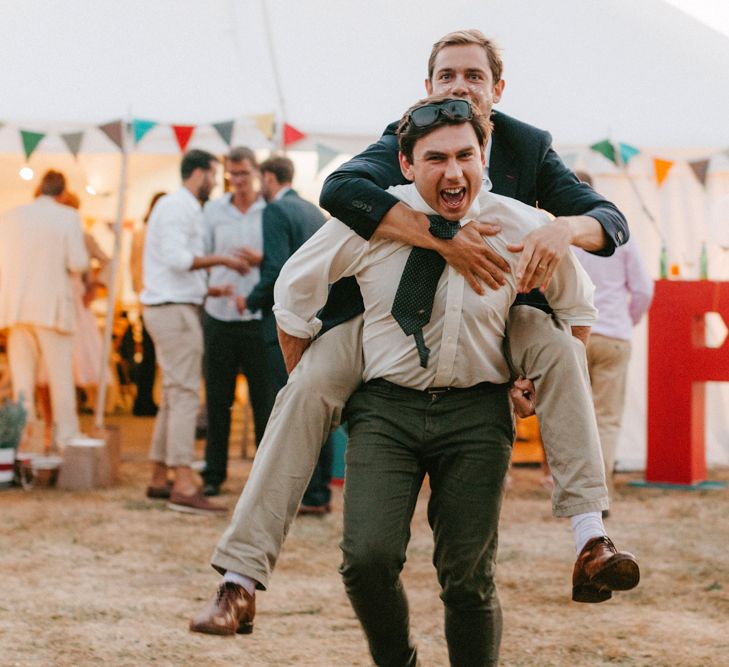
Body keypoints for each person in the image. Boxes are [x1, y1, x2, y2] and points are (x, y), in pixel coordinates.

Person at [191, 29, 635, 635]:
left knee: (556, 344)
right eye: (446, 76)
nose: (459, 86)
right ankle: (239, 579)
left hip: (498, 317)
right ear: (425, 94)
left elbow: (607, 227)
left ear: (496, 93)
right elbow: (337, 195)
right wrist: (442, 237)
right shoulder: (400, 139)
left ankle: (591, 536)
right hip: (377, 316)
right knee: (306, 388)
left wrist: (563, 230)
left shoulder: (526, 159)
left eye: (473, 76)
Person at [278, 97, 597, 666]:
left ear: (484, 159)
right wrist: (312, 384)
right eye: (436, 159)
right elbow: (294, 294)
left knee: (468, 579)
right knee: (366, 560)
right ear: (406, 164)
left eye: (465, 156)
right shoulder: (372, 221)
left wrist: (539, 383)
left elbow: (577, 307)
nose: (453, 172)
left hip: (477, 413)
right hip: (384, 409)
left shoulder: (522, 226)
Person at [141, 149, 250, 515]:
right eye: (214, 175)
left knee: (175, 393)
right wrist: (221, 260)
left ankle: (159, 476)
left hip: (174, 305)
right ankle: (184, 481)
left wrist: (208, 288)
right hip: (173, 311)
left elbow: (174, 268)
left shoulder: (180, 207)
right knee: (186, 392)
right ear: (199, 172)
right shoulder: (177, 206)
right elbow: (176, 259)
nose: (216, 183)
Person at [247, 155, 330, 513]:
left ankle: (287, 495)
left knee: (282, 410)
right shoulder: (313, 211)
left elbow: (277, 268)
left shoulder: (275, 212)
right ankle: (317, 493)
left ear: (268, 177)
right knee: (315, 405)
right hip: (320, 319)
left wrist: (249, 300)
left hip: (286, 324)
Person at [199, 147, 275, 498]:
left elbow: (282, 259)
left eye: (243, 173)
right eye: (232, 174)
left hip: (259, 318)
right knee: (217, 401)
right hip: (221, 317)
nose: (238, 181)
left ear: (256, 172)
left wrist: (259, 259)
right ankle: (213, 474)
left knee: (265, 402)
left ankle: (262, 480)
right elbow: (200, 255)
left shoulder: (271, 210)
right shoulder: (213, 211)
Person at [574, 171, 654, 504]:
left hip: (575, 334)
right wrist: (628, 320)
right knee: (605, 419)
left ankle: (577, 491)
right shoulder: (619, 234)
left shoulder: (565, 236)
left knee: (576, 416)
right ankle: (599, 495)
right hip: (614, 335)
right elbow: (643, 289)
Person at [0, 170, 89, 448]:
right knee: (60, 377)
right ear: (62, 194)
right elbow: (78, 262)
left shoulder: (11, 216)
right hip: (51, 308)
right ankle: (66, 438)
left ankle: (27, 440)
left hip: (16, 308)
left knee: (23, 381)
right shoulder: (67, 217)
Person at [129, 192, 166, 417]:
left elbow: (132, 268)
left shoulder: (139, 233)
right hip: (159, 298)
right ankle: (147, 400)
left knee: (149, 355)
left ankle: (143, 399)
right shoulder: (157, 234)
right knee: (157, 356)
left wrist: (139, 292)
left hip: (144, 299)